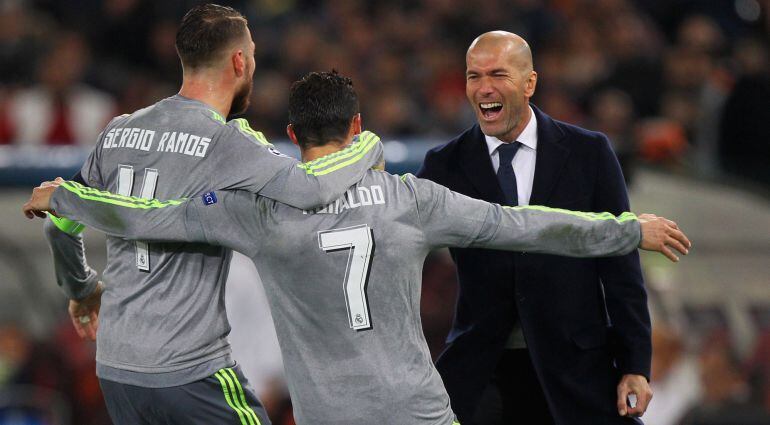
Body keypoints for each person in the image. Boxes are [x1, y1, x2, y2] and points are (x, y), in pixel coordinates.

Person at [24, 71, 691, 425]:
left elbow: (148, 217)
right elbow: (533, 226)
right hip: (417, 412)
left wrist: (67, 198)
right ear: (360, 126)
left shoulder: (257, 214)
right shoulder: (413, 200)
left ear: (289, 132)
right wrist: (628, 230)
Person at [41, 5, 383, 425]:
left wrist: (81, 288)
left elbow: (58, 222)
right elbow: (312, 188)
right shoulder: (227, 141)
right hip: (187, 370)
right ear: (240, 60)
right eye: (252, 54)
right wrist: (367, 145)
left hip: (117, 369)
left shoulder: (119, 129)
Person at [416, 31, 656, 424]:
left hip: (575, 371)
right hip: (482, 374)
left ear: (530, 83)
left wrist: (635, 365)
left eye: (498, 74)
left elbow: (621, 270)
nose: (483, 88)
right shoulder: (445, 165)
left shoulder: (589, 153)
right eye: (473, 76)